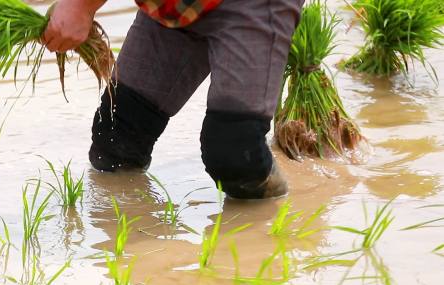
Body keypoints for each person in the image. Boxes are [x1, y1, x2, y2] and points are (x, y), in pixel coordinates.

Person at [42, 0, 304, 199]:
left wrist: (80, 5)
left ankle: (284, 217)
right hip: (176, 7)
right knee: (116, 140)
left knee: (236, 155)